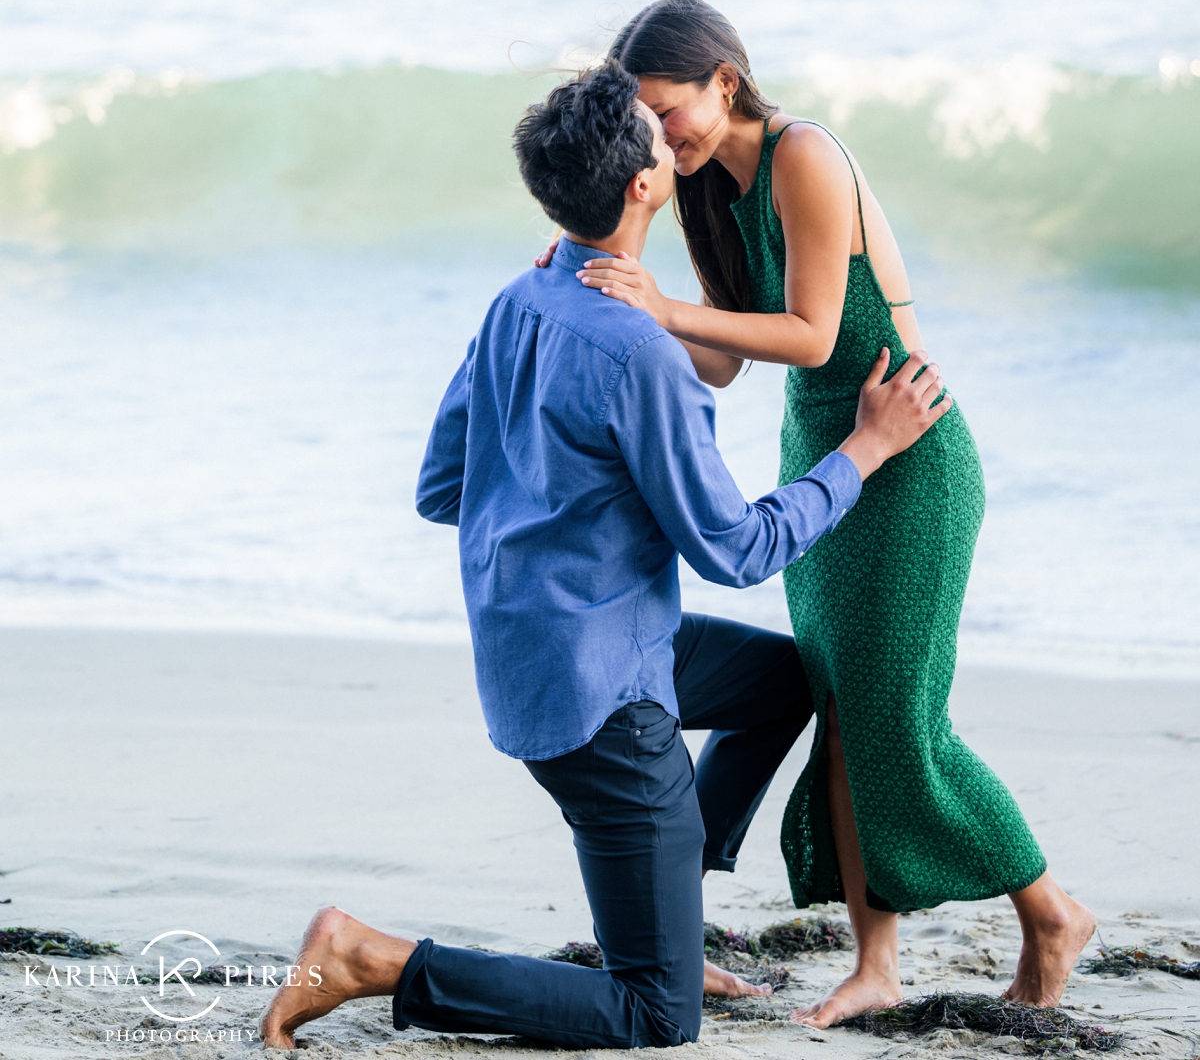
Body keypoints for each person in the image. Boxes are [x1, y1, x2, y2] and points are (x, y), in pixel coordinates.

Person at [260, 61, 951, 1052]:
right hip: (605, 707)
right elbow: (736, 548)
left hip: (542, 657)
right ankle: (370, 958)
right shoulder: (641, 356)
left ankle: (671, 898)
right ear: (642, 187)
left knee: (782, 683)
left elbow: (439, 488)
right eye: (654, 134)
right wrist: (865, 449)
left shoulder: (524, 295)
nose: (674, 141)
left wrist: (566, 517)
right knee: (653, 1014)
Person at [551, 0, 1094, 1024]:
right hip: (826, 455)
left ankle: (1049, 909)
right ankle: (876, 965)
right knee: (841, 711)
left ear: (724, 76)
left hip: (909, 456)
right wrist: (623, 283)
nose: (661, 137)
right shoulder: (710, 185)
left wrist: (660, 307)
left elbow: (808, 332)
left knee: (898, 718)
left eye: (670, 111)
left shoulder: (805, 155)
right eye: (646, 122)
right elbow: (717, 362)